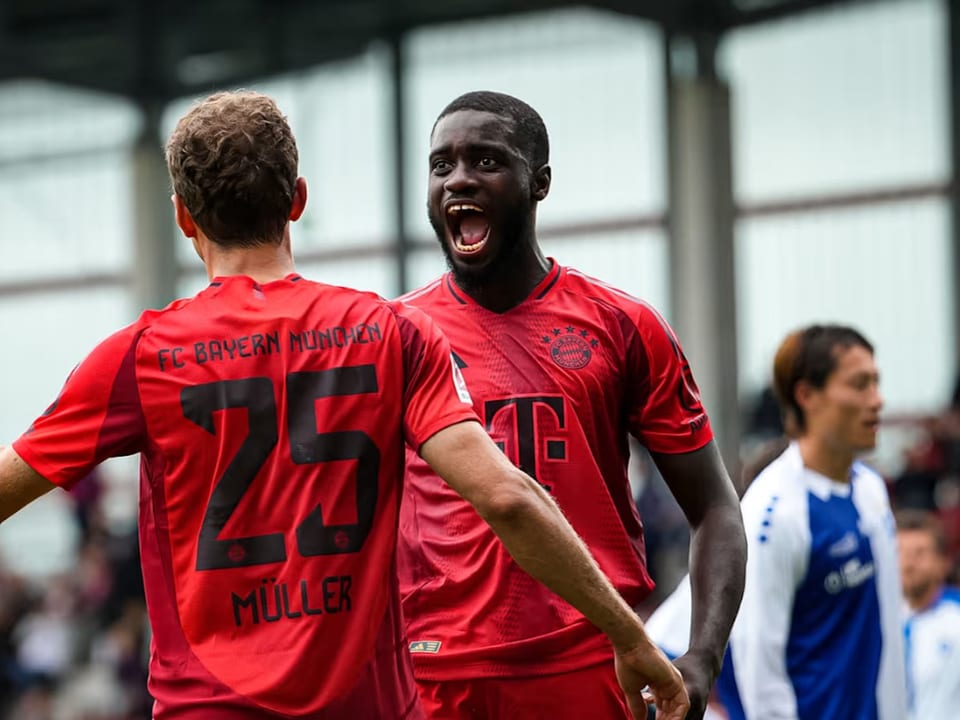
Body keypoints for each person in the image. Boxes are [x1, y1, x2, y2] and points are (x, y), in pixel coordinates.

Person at [0, 91, 689, 720]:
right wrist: (628, 636)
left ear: (184, 217)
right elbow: (507, 499)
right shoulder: (392, 334)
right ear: (296, 198)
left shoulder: (138, 357)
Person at [397, 90, 746, 719]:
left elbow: (716, 509)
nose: (459, 180)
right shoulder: (395, 332)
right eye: (441, 165)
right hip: (435, 671)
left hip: (593, 663)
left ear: (540, 183)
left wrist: (702, 656)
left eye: (486, 161)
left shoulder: (622, 325)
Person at [715, 324, 906, 719]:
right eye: (859, 385)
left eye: (876, 382)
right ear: (806, 395)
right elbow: (759, 673)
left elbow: (888, 631)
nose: (877, 400)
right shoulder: (774, 512)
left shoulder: (871, 490)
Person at [896, 509, 960, 720]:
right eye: (900, 553)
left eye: (920, 553)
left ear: (943, 563)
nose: (908, 563)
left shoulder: (955, 619)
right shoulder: (872, 620)